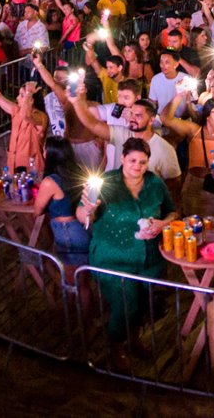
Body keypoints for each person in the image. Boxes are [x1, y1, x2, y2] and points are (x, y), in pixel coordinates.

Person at [78, 137, 177, 370]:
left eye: (143, 162)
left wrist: (162, 224)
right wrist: (88, 210)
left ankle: (134, 339)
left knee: (142, 304)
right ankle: (116, 349)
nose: (137, 166)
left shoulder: (155, 183)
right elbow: (83, 215)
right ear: (122, 158)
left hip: (148, 259)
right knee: (126, 304)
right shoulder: (105, 183)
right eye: (132, 160)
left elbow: (173, 211)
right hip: (112, 257)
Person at [160, 93, 214, 218]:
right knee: (193, 226)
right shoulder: (194, 131)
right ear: (207, 116)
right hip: (194, 188)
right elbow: (166, 119)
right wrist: (179, 95)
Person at [0, 62, 46, 176]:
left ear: (31, 100)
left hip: (32, 170)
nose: (17, 97)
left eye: (21, 95)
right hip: (13, 164)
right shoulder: (16, 110)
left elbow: (26, 116)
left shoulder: (41, 117)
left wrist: (28, 93)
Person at [32, 136, 91, 267]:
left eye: (44, 149)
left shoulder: (50, 182)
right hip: (81, 229)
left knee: (74, 283)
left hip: (67, 233)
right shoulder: (78, 172)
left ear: (49, 154)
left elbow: (37, 211)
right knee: (81, 279)